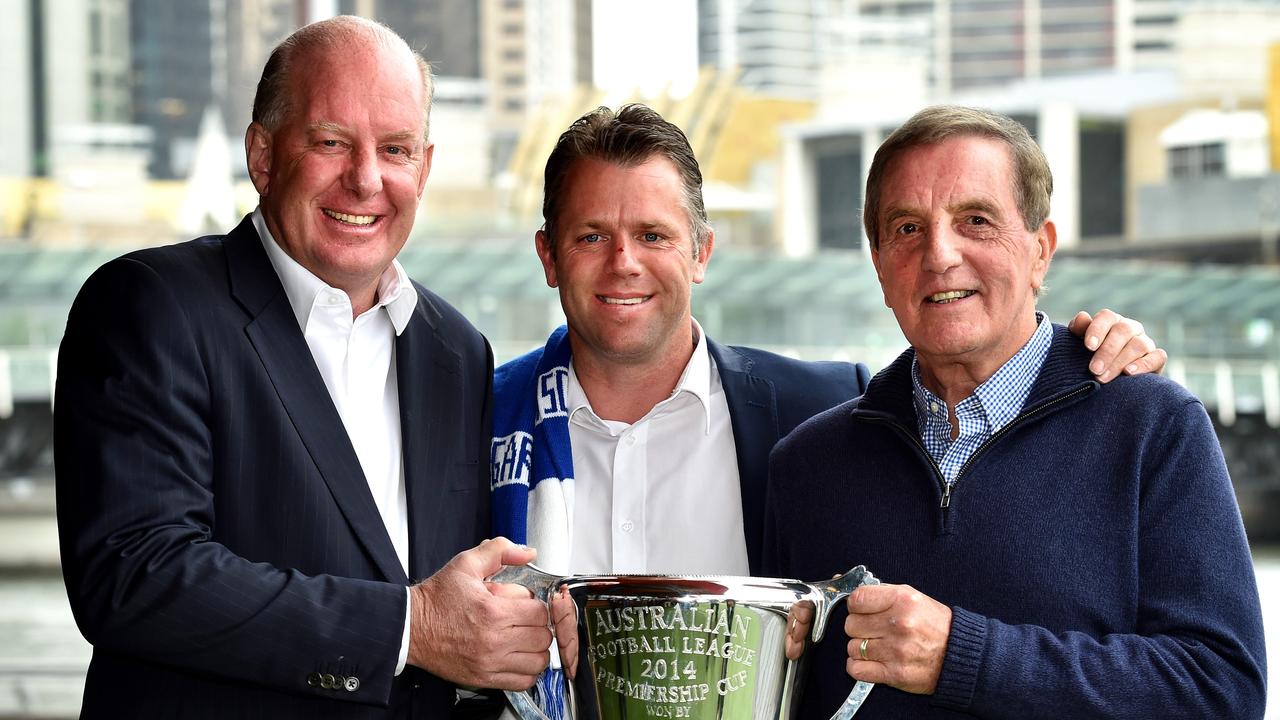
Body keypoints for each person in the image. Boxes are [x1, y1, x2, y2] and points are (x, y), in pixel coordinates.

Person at [488, 105, 1167, 716]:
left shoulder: (825, 413)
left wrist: (1084, 365)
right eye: (591, 237)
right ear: (549, 256)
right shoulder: (473, 419)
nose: (624, 264)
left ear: (701, 252)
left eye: (654, 235)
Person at [55, 16, 550, 719]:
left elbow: (450, 616)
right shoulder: (151, 306)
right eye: (331, 143)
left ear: (425, 168)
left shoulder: (457, 352)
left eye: (396, 148)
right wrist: (411, 628)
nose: (366, 178)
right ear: (263, 155)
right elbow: (135, 572)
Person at [766, 105, 1267, 719]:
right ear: (877, 264)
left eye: (975, 220)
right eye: (906, 228)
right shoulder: (806, 466)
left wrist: (962, 657)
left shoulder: (1152, 426)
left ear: (1040, 251)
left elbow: (1222, 690)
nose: (939, 254)